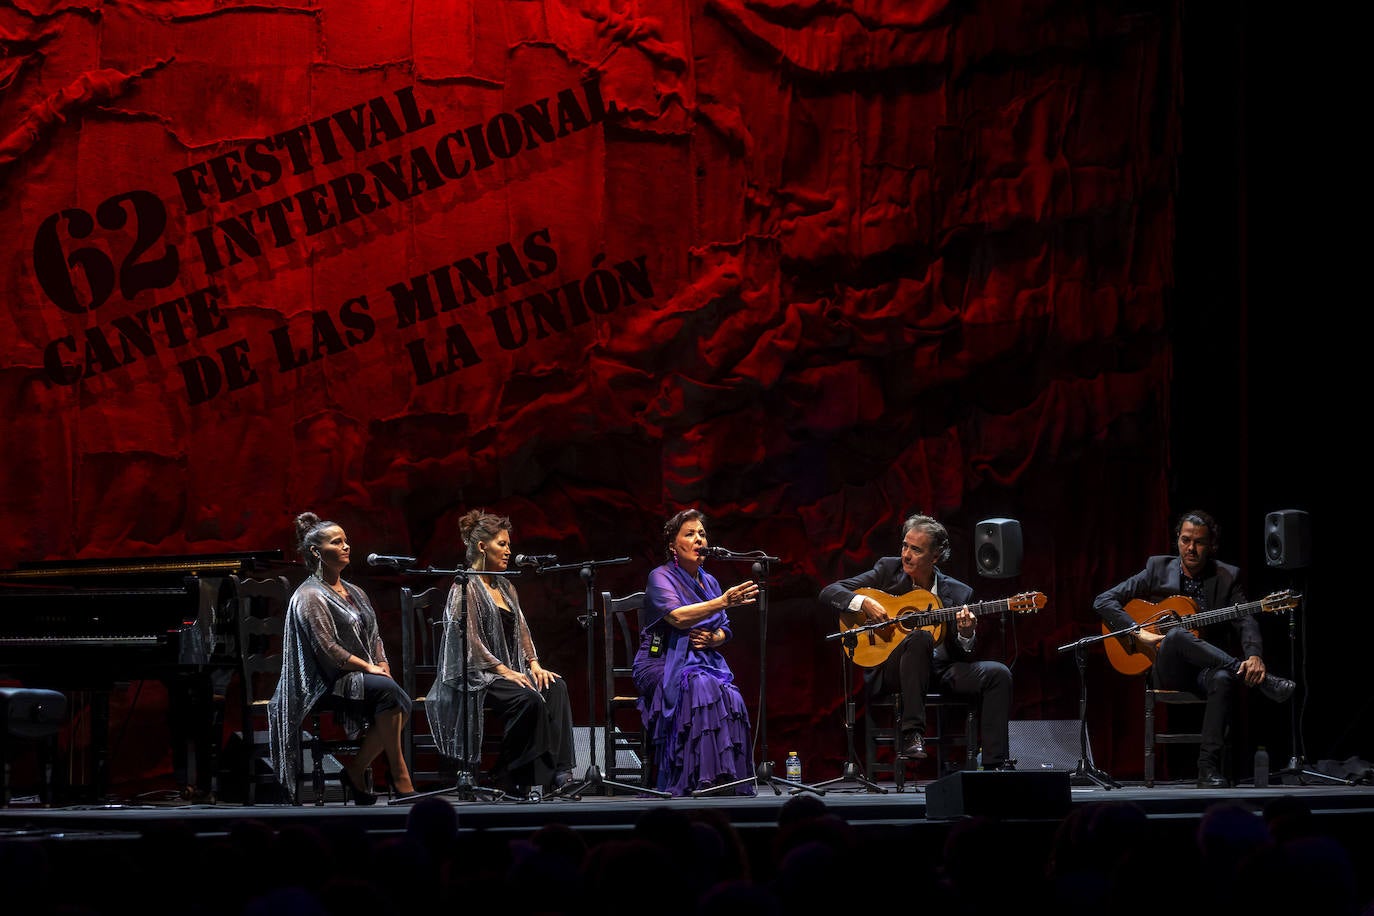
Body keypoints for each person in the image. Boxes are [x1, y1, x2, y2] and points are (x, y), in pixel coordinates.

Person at [1093, 509, 1295, 788]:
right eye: (1185, 540)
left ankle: (1206, 769)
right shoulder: (1157, 568)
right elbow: (1104, 601)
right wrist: (1138, 631)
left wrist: (1255, 655)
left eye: (1199, 542)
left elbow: (1245, 620)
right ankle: (1258, 680)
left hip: (1207, 670)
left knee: (1224, 679)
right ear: (1177, 540)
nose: (1191, 548)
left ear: (1211, 545)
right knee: (1176, 635)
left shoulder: (1227, 576)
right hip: (1167, 668)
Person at [819, 513, 1014, 770]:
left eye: (916, 549)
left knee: (999, 674)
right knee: (920, 637)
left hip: (942, 671)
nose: (906, 555)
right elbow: (829, 592)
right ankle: (912, 734)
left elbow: (962, 653)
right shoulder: (887, 570)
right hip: (894, 668)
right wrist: (864, 602)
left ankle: (995, 764)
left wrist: (966, 634)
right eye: (905, 546)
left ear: (935, 556)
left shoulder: (958, 592)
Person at [424, 509, 574, 801]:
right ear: (482, 547)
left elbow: (522, 630)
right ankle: (507, 773)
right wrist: (504, 671)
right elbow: (469, 643)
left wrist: (534, 664)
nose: (508, 551)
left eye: (508, 545)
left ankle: (561, 772)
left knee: (555, 686)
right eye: (502, 544)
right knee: (528, 699)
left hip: (509, 670)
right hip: (475, 675)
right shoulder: (463, 586)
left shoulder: (506, 586)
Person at [269, 512, 415, 805]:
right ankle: (400, 776)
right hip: (321, 681)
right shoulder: (309, 595)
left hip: (354, 675)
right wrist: (367, 666)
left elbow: (373, 635)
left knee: (400, 700)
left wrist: (381, 662)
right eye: (337, 542)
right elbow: (327, 648)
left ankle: (358, 768)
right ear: (316, 552)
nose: (346, 546)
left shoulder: (355, 592)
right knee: (391, 695)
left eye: (346, 541)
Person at [634, 508, 759, 795]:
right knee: (701, 687)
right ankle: (693, 777)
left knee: (731, 694)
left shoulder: (711, 581)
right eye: (690, 534)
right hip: (661, 659)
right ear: (672, 544)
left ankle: (723, 779)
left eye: (702, 534)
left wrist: (715, 637)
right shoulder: (660, 576)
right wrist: (723, 602)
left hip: (703, 660)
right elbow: (677, 617)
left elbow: (725, 629)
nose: (699, 539)